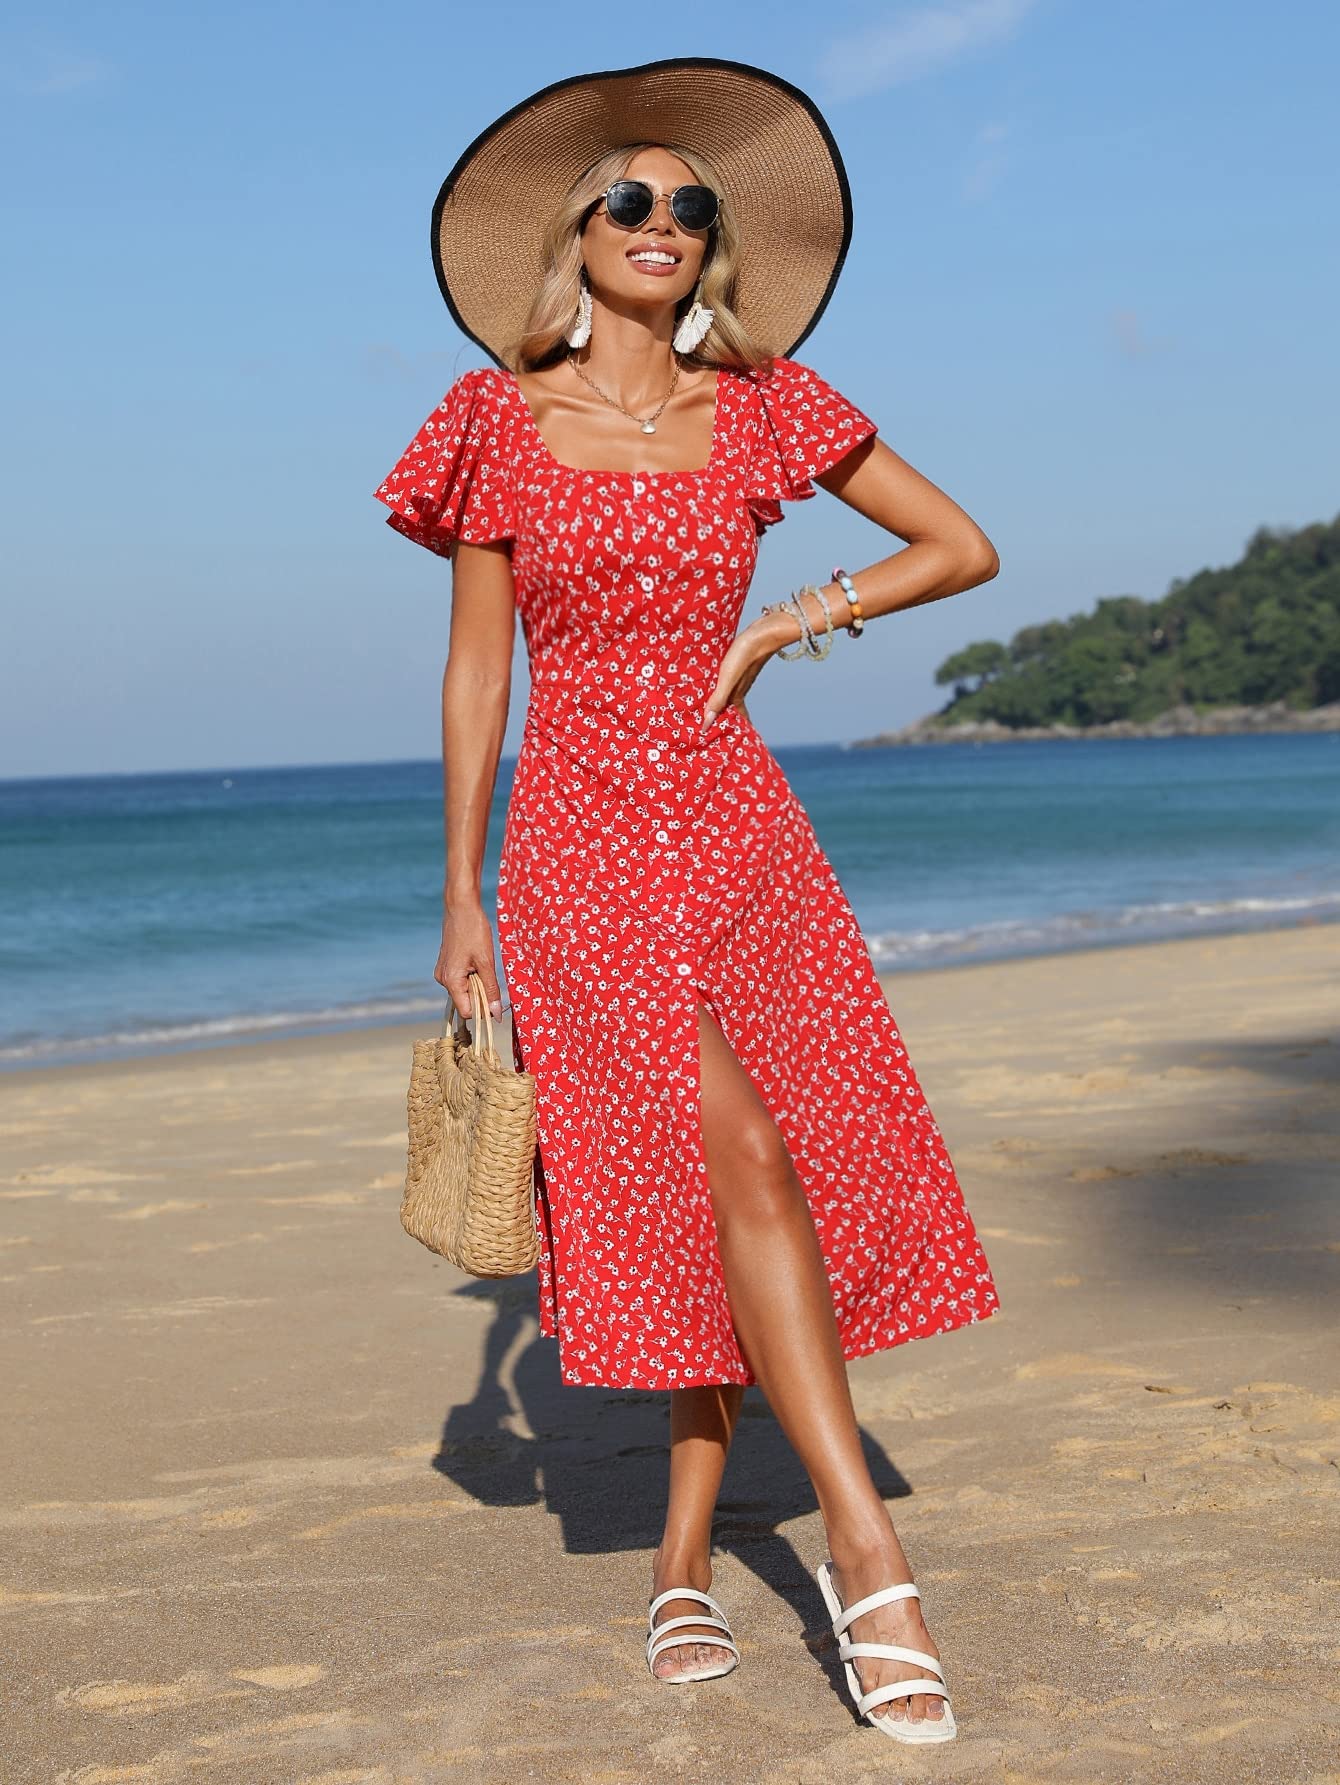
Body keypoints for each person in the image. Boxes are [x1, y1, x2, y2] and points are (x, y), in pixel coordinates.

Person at [374, 56, 1001, 1747]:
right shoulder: (495, 422)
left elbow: (959, 546)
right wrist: (458, 896)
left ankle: (676, 1547)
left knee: (740, 1168)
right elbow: (473, 678)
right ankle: (871, 1562)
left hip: (739, 831)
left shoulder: (773, 403)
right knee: (717, 1156)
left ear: (714, 245)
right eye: (630, 199)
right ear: (576, 239)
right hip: (575, 846)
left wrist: (794, 618)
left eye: (690, 203)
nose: (662, 220)